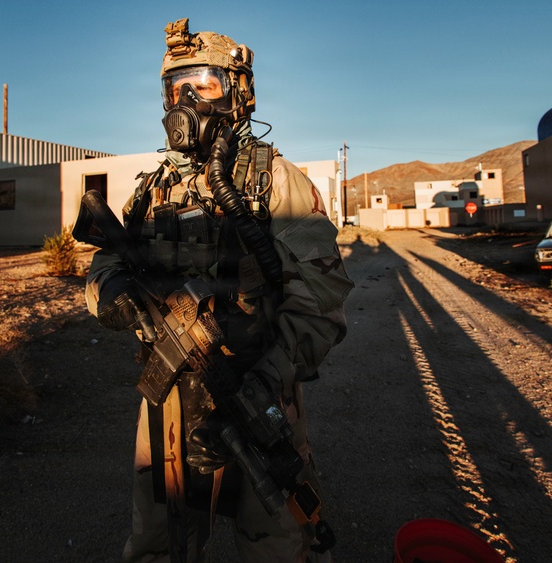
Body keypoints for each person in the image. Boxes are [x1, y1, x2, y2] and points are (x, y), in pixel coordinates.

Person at [84, 18, 353, 563]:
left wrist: (265, 382)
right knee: (158, 540)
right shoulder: (156, 184)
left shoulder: (273, 181)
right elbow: (106, 259)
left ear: (239, 93)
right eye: (174, 88)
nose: (185, 99)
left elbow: (321, 300)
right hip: (166, 398)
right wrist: (110, 291)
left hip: (256, 386)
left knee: (276, 538)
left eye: (203, 84)